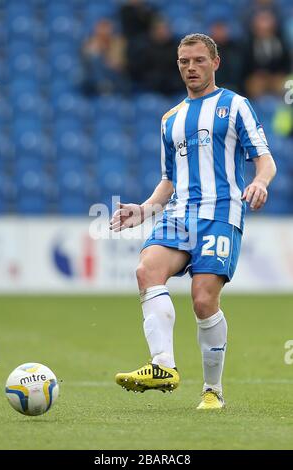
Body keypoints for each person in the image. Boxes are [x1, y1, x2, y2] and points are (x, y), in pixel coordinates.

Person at [110, 33, 276, 409]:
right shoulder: (171, 119)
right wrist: (144, 209)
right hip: (178, 213)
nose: (191, 68)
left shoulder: (235, 106)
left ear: (215, 63)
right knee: (146, 271)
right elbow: (169, 181)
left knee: (202, 300)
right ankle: (163, 366)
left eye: (199, 60)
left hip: (220, 213)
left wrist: (260, 183)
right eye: (184, 61)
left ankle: (212, 390)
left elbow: (264, 160)